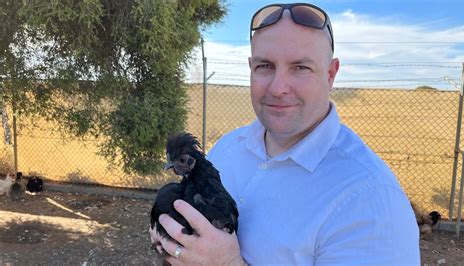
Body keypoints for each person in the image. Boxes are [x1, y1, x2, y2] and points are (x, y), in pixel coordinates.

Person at [150, 3, 420, 265]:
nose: (278, 88)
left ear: (330, 75)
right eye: (265, 66)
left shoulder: (372, 201)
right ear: (251, 69)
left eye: (300, 67)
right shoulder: (228, 147)